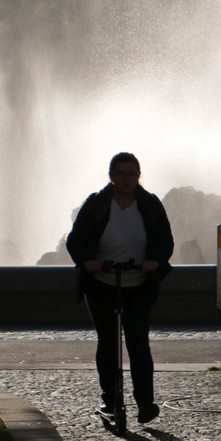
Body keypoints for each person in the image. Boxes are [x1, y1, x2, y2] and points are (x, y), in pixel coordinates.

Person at [66, 152, 175, 423]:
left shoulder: (150, 205)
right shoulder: (97, 204)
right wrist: (88, 262)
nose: (127, 179)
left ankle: (145, 403)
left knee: (139, 344)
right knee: (109, 342)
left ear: (139, 176)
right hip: (102, 284)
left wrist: (155, 261)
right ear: (111, 177)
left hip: (138, 284)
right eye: (121, 174)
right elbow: (75, 240)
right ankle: (111, 399)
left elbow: (165, 241)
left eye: (132, 173)